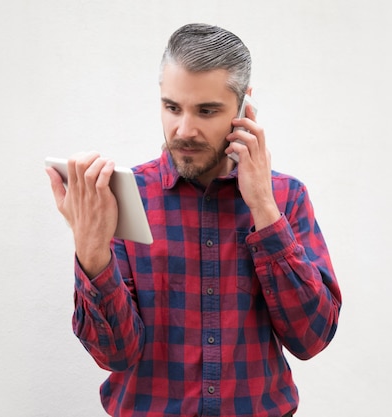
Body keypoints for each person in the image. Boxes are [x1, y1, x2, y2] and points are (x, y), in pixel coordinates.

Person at [46, 23, 342, 417]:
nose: (184, 130)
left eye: (206, 110)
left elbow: (312, 338)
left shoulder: (286, 197)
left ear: (243, 108)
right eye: (172, 107)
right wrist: (91, 250)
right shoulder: (122, 200)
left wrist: (265, 212)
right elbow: (114, 354)